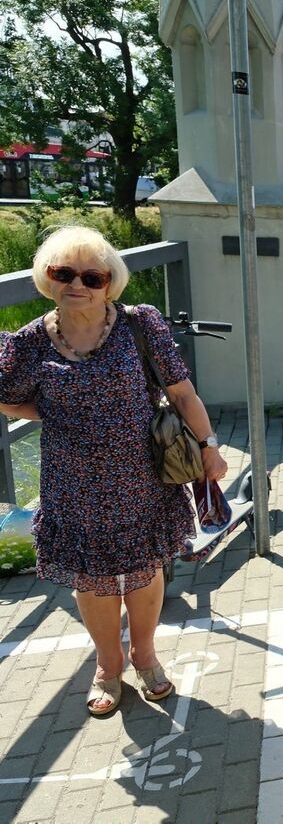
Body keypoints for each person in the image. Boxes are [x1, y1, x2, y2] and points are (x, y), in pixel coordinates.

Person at [0, 226, 227, 716]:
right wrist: (48, 412)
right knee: (92, 579)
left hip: (141, 474)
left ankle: (145, 656)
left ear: (110, 281)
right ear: (47, 278)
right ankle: (108, 665)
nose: (76, 284)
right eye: (63, 273)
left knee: (144, 572)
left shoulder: (138, 325)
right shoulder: (30, 342)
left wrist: (209, 446)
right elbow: (6, 396)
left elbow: (182, 394)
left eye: (92, 275)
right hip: (72, 483)